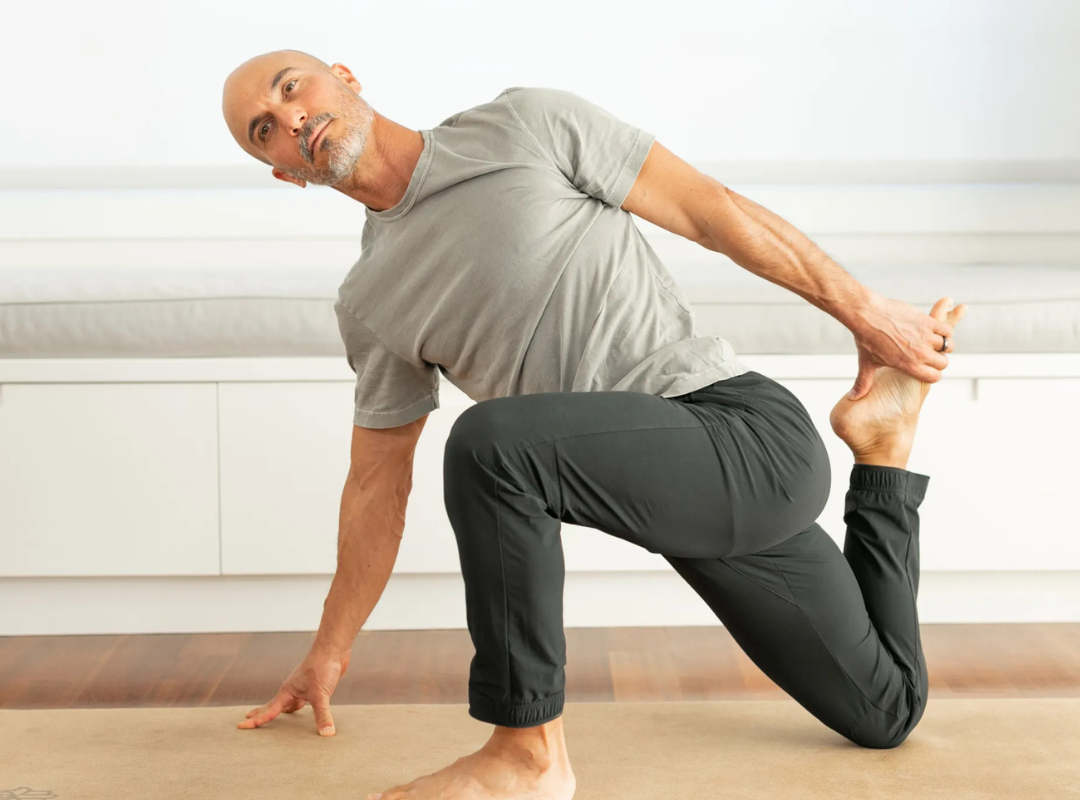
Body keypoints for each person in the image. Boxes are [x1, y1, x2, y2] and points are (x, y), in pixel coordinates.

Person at [221, 49, 968, 800]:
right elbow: (376, 484)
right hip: (675, 498)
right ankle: (883, 447)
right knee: (884, 711)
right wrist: (329, 650)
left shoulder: (524, 124)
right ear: (284, 173)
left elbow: (712, 211)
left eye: (291, 87)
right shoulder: (370, 301)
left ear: (345, 77)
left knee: (489, 447)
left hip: (738, 435)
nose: (290, 117)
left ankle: (527, 752)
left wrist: (867, 315)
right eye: (264, 129)